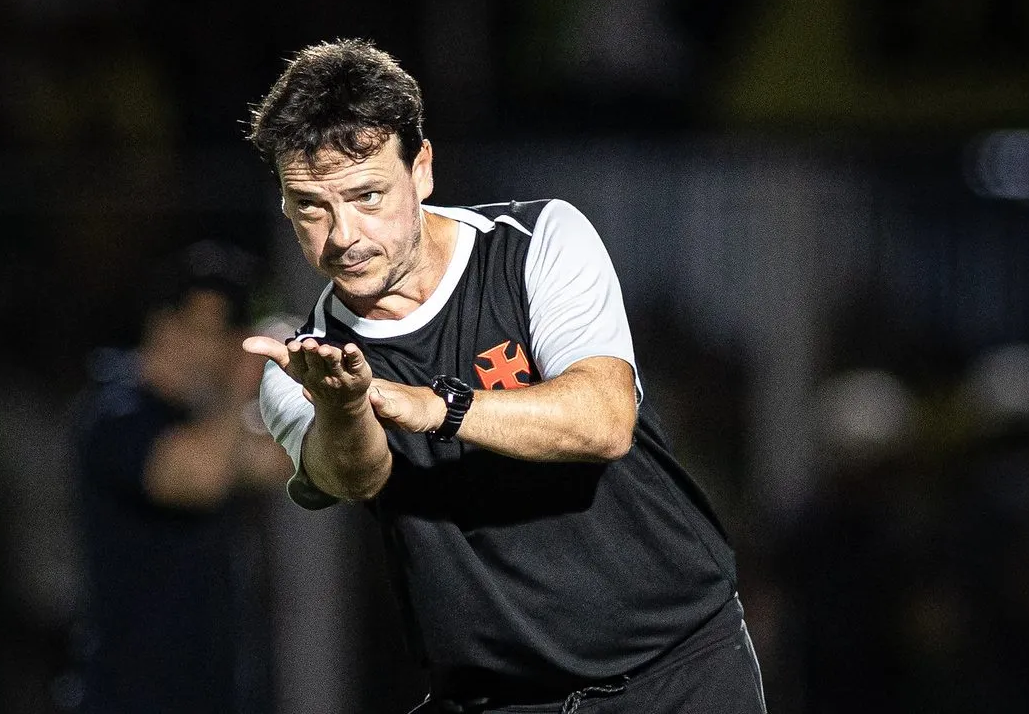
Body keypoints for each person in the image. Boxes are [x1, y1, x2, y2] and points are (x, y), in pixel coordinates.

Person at [241, 39, 767, 714]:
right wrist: (345, 408)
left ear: (421, 170)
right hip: (498, 698)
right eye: (311, 206)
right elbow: (353, 477)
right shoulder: (305, 364)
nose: (343, 234)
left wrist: (437, 407)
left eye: (366, 196)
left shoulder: (538, 242)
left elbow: (604, 421)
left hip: (678, 670)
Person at [73, 240, 290, 713]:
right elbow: (198, 479)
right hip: (132, 697)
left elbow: (288, 464)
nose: (223, 350)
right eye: (208, 330)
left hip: (212, 693)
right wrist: (243, 378)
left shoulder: (207, 420)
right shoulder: (116, 410)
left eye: (229, 334)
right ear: (163, 326)